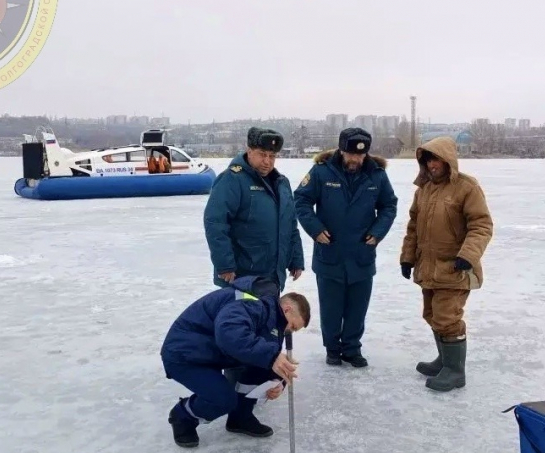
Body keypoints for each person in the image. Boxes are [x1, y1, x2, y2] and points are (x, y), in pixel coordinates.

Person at [160, 275, 311, 448]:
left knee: (265, 364)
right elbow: (229, 333)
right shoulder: (250, 302)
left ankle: (240, 417)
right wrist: (271, 357)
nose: (289, 332)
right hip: (185, 355)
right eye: (292, 326)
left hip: (213, 355)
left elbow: (269, 355)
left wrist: (278, 382)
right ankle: (182, 416)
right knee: (223, 399)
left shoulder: (273, 323)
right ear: (287, 309)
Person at [294, 127, 397, 367]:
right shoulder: (321, 172)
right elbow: (301, 200)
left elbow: (389, 206)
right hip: (330, 252)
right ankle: (332, 349)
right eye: (351, 155)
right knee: (331, 309)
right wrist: (315, 229)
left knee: (357, 308)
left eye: (361, 156)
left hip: (362, 253)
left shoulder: (377, 175)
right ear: (341, 150)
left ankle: (352, 349)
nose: (356, 160)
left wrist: (377, 232)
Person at [399, 136, 493, 391]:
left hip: (455, 268)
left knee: (447, 318)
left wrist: (468, 255)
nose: (432, 165)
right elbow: (413, 228)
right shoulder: (424, 190)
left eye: (436, 158)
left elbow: (481, 225)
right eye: (427, 159)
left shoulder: (466, 187)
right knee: (432, 315)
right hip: (428, 267)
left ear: (448, 159)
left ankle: (455, 371)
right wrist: (407, 257)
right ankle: (444, 359)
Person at [203, 127, 305, 290]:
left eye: (272, 156)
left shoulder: (281, 183)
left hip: (273, 276)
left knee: (267, 315)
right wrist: (225, 265)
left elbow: (290, 225)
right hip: (242, 276)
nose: (267, 161)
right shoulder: (232, 180)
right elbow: (216, 223)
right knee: (243, 315)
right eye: (262, 154)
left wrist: (296, 259)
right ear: (249, 152)